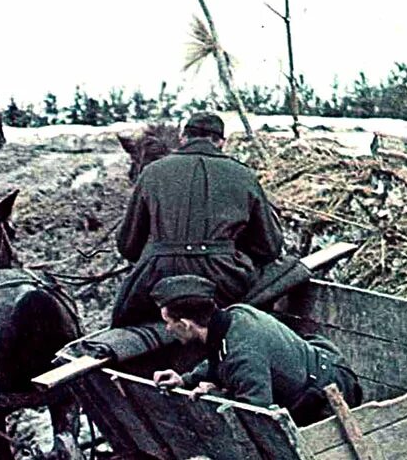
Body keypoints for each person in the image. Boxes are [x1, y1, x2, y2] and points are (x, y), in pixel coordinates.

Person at [110, 112, 284, 328]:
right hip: (224, 280)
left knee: (124, 323)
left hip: (158, 277)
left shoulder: (152, 172)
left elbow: (128, 246)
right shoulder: (243, 175)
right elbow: (269, 247)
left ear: (183, 138)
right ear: (221, 142)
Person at [149, 275, 363, 424]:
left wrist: (216, 396)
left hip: (327, 397)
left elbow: (255, 414)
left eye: (168, 322)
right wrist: (185, 380)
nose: (167, 329)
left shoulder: (243, 355)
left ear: (186, 324)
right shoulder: (234, 316)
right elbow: (221, 357)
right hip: (319, 371)